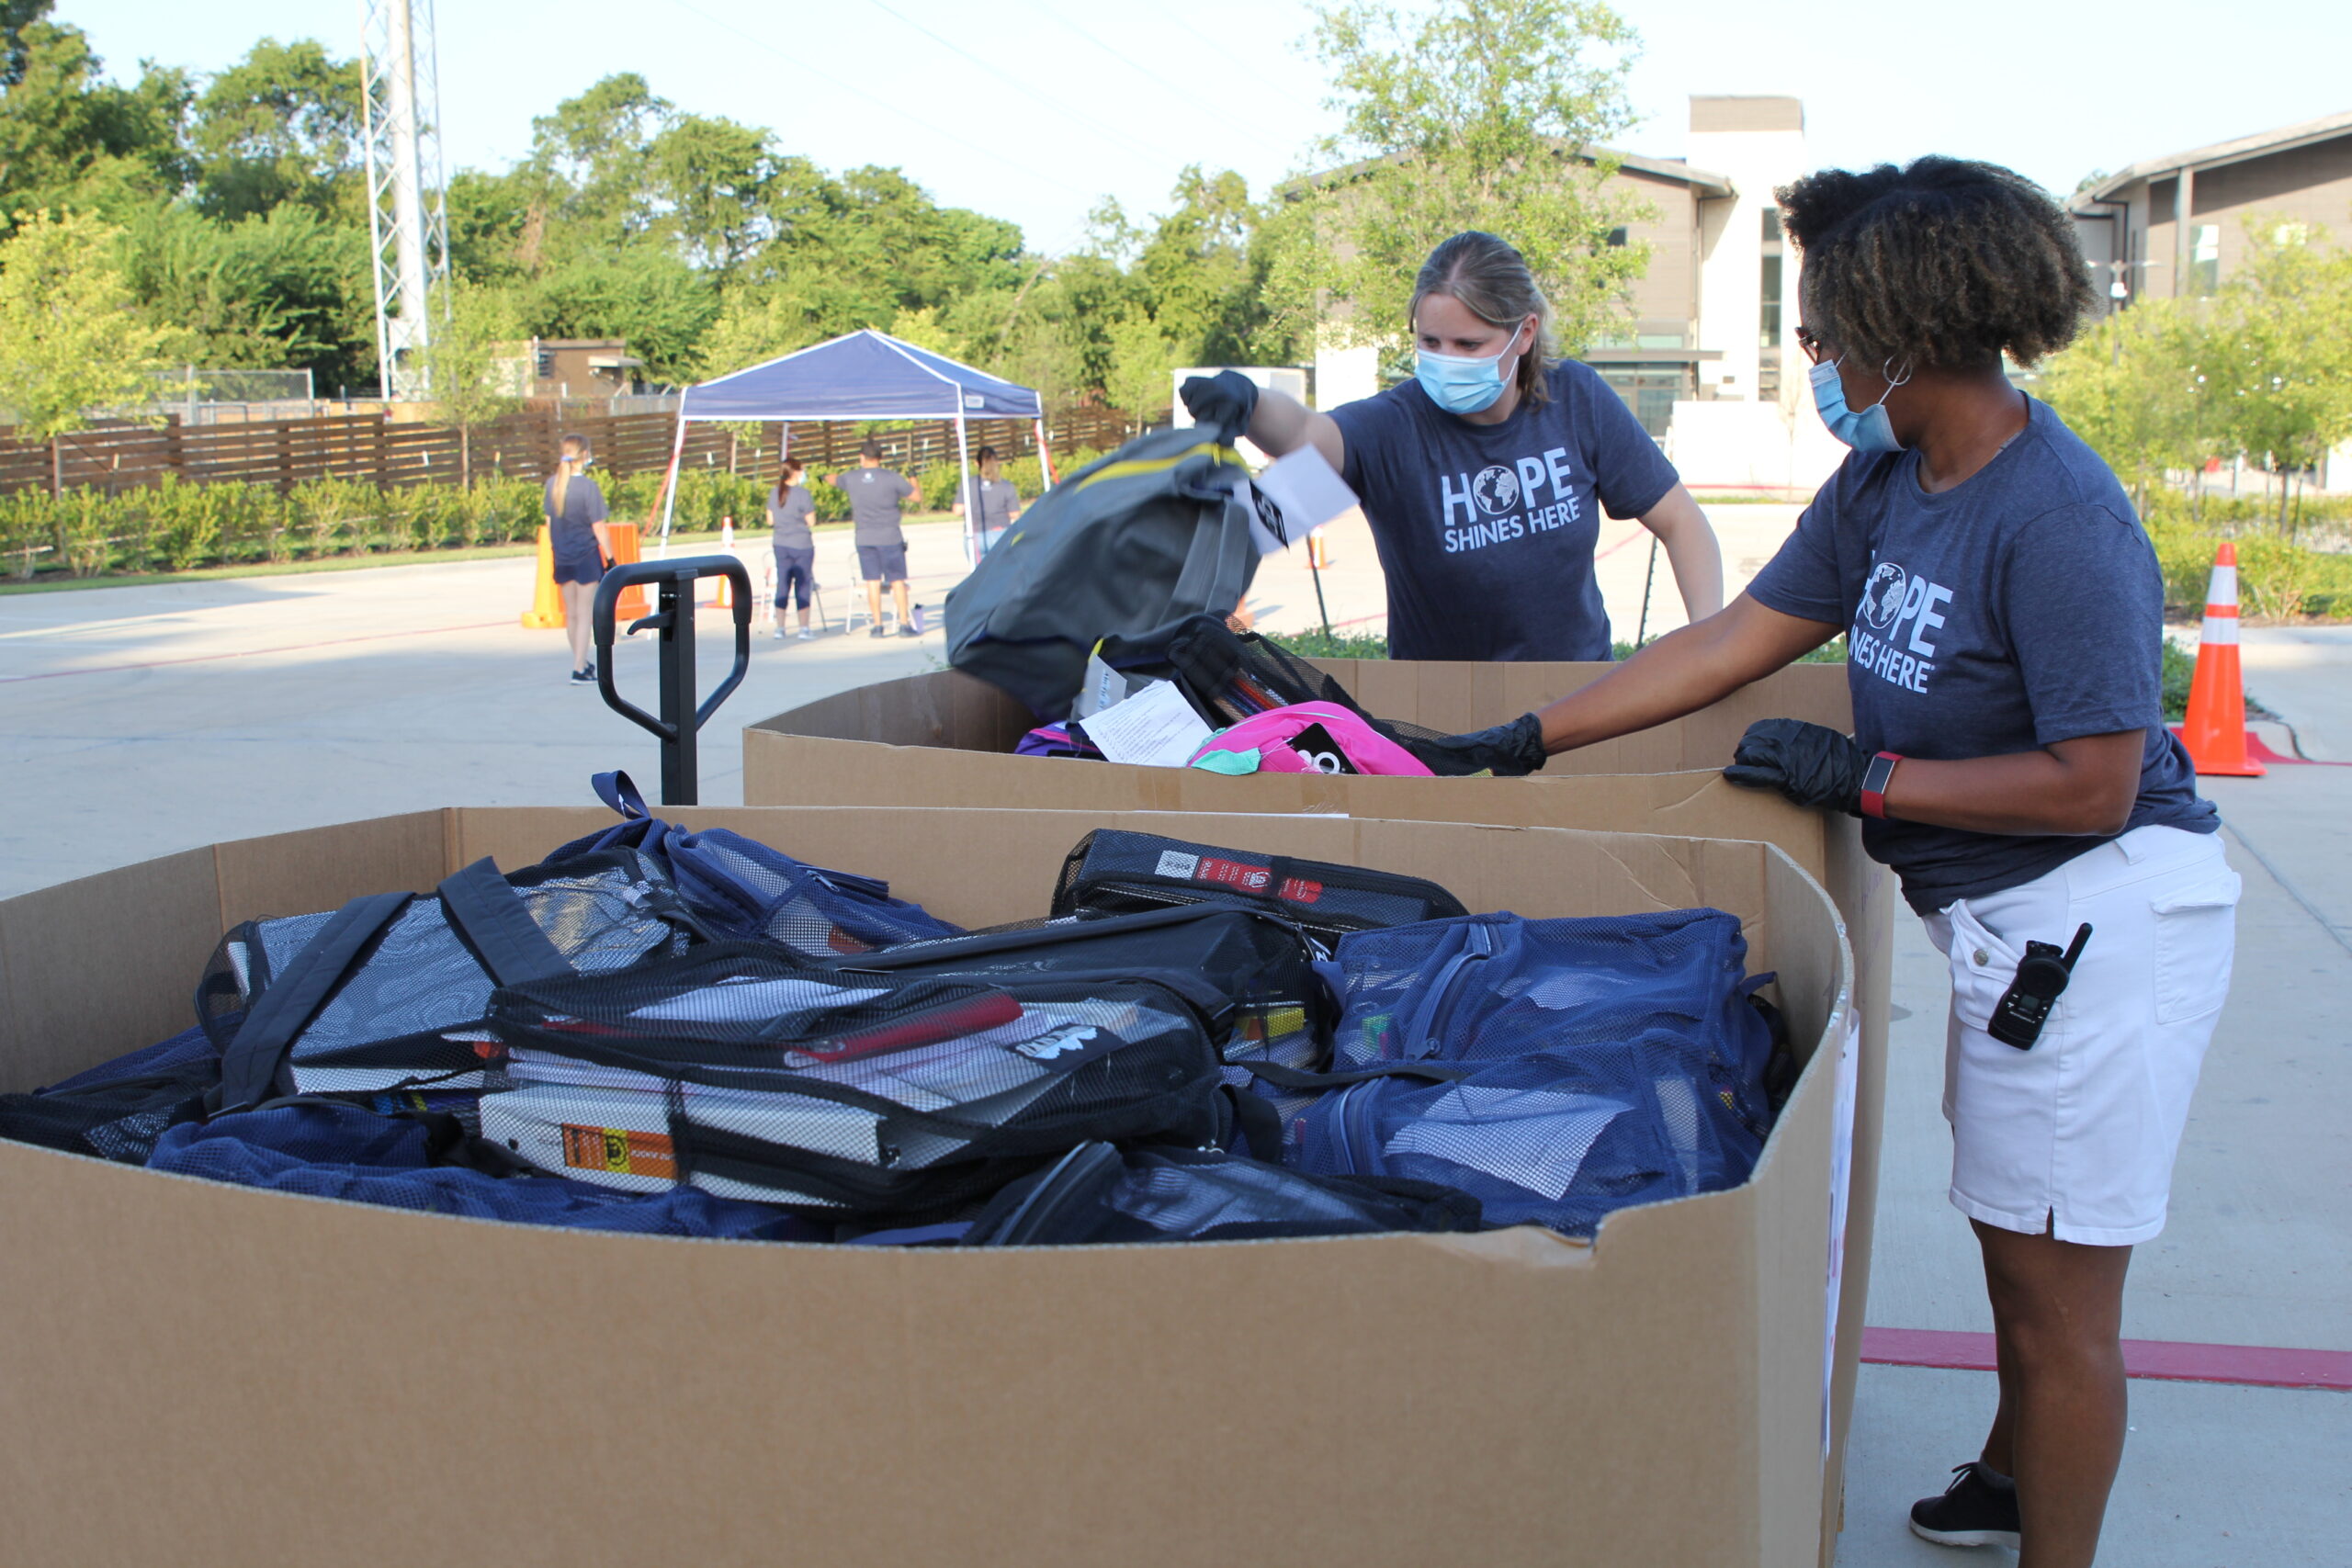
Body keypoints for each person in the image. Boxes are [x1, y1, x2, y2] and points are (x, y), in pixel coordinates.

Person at [1435, 159, 2234, 1568]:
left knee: (2062, 1306)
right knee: (2014, 1236)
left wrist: (1873, 778)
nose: (1816, 360)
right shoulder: (1893, 479)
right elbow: (1735, 635)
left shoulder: (2055, 517)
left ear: (1911, 331)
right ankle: (2010, 1472)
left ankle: (2054, 1528)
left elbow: (2099, 779)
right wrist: (1522, 737)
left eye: (1822, 334)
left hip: (2100, 920)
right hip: (2010, 927)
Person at [1181, 231, 1723, 661]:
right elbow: (1305, 435)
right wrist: (1249, 402)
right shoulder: (1394, 429)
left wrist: (1709, 642)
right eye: (1429, 342)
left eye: (1469, 344)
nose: (1446, 359)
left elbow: (1681, 521)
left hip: (1576, 697)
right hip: (1442, 712)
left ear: (1524, 333)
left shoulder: (1576, 399)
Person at [830, 438, 917, 637]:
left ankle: (878, 626)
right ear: (880, 457)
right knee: (897, 581)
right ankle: (904, 624)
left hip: (865, 537)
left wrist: (823, 477)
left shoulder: (851, 478)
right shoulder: (892, 478)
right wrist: (913, 478)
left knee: (872, 582)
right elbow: (915, 496)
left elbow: (835, 479)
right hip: (890, 537)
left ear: (862, 457)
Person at [544, 434, 612, 683]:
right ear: (584, 455)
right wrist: (611, 557)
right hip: (585, 555)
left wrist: (557, 548)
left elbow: (550, 522)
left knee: (571, 614)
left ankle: (580, 661)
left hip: (562, 555)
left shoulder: (553, 484)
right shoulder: (588, 487)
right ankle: (579, 668)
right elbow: (599, 527)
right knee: (585, 614)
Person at [768, 457, 818, 641]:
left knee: (783, 583)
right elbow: (811, 521)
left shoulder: (775, 493)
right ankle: (803, 627)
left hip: (781, 543)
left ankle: (780, 627)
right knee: (802, 584)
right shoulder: (803, 494)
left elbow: (770, 520)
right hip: (802, 543)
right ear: (796, 472)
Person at [952, 445, 1021, 554]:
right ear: (996, 462)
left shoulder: (968, 484)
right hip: (1000, 533)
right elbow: (1015, 514)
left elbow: (958, 511)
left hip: (975, 536)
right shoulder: (1006, 485)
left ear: (977, 463)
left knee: (980, 570)